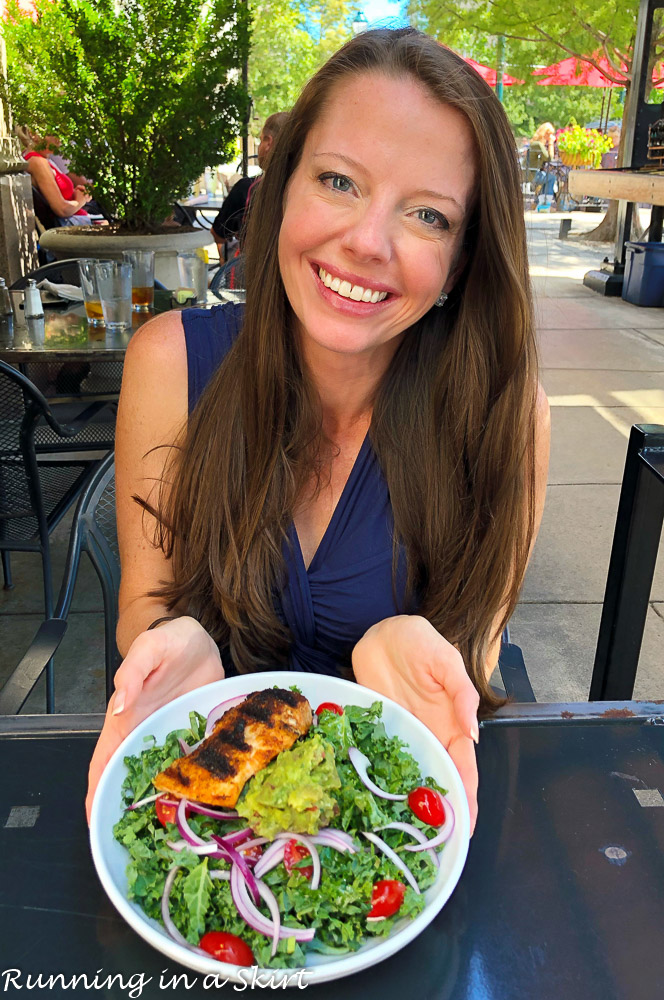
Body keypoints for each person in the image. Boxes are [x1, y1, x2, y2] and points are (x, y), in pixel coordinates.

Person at [86, 28, 550, 830]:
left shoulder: (508, 412)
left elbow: (476, 646)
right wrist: (177, 637)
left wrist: (419, 649)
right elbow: (144, 604)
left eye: (428, 216)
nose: (368, 243)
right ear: (281, 186)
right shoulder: (169, 361)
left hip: (391, 819)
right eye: (339, 180)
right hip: (203, 804)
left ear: (462, 262)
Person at [211, 112, 290, 252]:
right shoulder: (307, 188)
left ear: (268, 143)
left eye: (261, 140)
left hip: (254, 270)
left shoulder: (248, 189)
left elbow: (218, 235)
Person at [18, 128, 93, 227]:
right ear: (33, 134)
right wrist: (81, 200)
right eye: (52, 134)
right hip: (70, 227)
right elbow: (62, 209)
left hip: (75, 220)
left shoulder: (40, 158)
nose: (59, 139)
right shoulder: (38, 162)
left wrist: (75, 193)